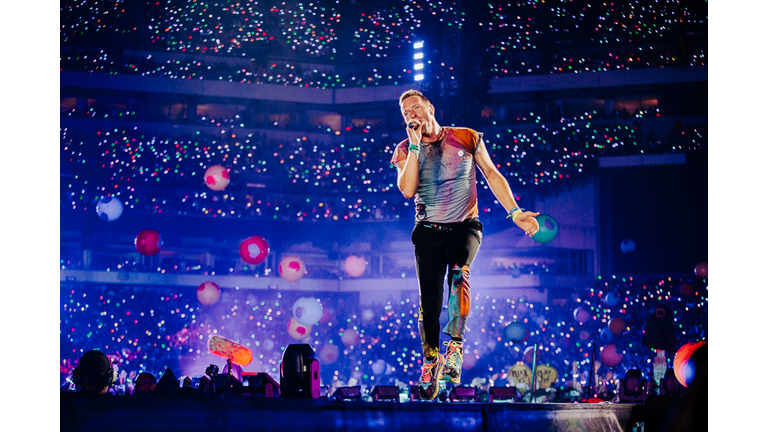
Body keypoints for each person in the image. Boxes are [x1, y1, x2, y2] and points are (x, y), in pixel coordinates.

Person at [390, 89, 540, 400]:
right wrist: (416, 146)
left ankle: (455, 346)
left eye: (416, 108)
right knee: (429, 307)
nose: (412, 115)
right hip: (428, 232)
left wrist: (515, 212)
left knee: (459, 272)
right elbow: (406, 190)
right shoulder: (405, 149)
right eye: (406, 114)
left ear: (430, 107)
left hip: (464, 227)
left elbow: (492, 174)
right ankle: (431, 361)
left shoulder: (467, 137)